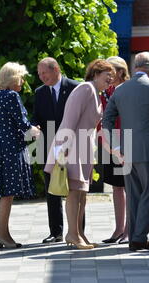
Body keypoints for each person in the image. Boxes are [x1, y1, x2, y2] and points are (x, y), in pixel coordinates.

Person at [103, 52, 149, 252]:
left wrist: (116, 146)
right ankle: (139, 237)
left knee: (134, 194)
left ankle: (136, 236)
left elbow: (106, 121)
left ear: (135, 67)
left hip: (126, 150)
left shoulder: (119, 90)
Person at [44, 59, 115, 250]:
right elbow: (69, 120)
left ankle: (79, 233)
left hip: (84, 148)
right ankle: (72, 234)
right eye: (108, 74)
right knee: (75, 193)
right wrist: (63, 150)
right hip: (72, 146)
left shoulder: (95, 92)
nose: (111, 78)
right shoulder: (85, 89)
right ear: (96, 73)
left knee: (82, 193)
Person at [0, 62, 40, 249]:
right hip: (11, 148)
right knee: (8, 193)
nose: (23, 81)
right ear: (13, 78)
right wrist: (36, 130)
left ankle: (3, 234)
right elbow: (23, 123)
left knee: (4, 194)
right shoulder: (12, 96)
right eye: (21, 77)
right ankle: (2, 234)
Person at [32, 57, 79, 244]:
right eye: (39, 74)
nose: (42, 77)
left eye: (45, 73)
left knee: (75, 189)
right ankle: (56, 232)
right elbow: (37, 116)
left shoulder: (76, 87)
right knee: (52, 190)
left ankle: (77, 231)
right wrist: (34, 126)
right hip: (50, 146)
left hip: (73, 145)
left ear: (56, 69)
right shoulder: (40, 92)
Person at [99, 56, 130, 244]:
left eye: (111, 72)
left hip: (128, 141)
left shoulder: (129, 89)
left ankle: (129, 230)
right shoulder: (106, 91)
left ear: (120, 71)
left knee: (129, 186)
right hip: (109, 143)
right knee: (116, 187)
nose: (108, 76)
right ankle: (118, 229)